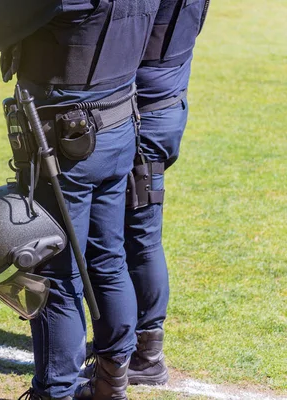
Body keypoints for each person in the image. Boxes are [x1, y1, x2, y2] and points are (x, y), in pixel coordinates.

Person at [0, 2, 159, 399]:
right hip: (119, 121)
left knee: (55, 275)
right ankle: (111, 383)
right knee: (108, 259)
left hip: (67, 141)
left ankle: (55, 391)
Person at [123, 0, 210, 386]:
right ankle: (127, 343)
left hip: (145, 115)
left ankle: (147, 355)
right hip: (165, 107)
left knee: (140, 236)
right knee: (131, 234)